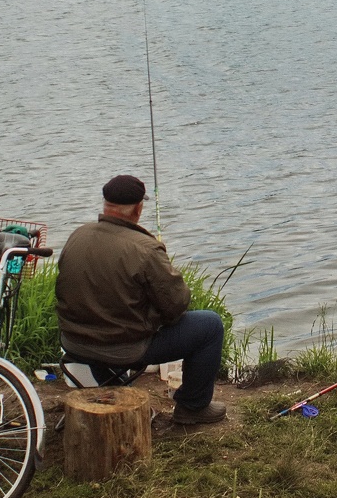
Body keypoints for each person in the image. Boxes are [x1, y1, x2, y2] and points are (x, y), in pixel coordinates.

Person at [55, 174, 227, 425]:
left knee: (111, 327)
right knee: (210, 325)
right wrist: (162, 264)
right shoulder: (146, 249)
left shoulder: (77, 235)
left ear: (106, 204)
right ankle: (193, 407)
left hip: (74, 342)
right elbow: (177, 305)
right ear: (138, 208)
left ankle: (111, 386)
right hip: (123, 349)